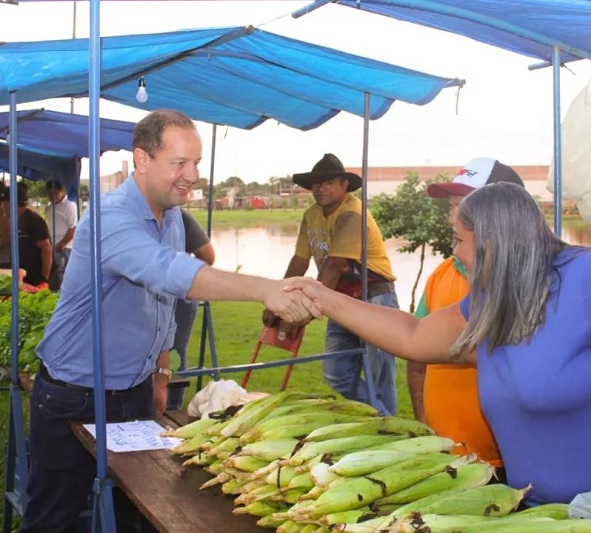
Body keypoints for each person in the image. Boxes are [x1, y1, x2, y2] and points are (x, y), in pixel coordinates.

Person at [287, 182, 591, 508]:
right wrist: (322, 298)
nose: (454, 252)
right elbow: (413, 335)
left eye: (458, 239)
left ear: (493, 242)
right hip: (557, 514)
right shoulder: (490, 302)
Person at [23, 109, 319, 533]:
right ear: (142, 159)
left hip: (135, 393)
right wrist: (266, 289)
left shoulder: (174, 217)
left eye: (196, 162)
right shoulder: (109, 217)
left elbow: (163, 305)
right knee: (54, 518)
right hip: (75, 394)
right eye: (179, 162)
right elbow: (169, 273)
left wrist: (161, 373)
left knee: (137, 513)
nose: (192, 175)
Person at [408, 157, 525, 477]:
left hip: (508, 462)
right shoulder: (440, 275)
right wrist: (422, 420)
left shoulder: (529, 284)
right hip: (444, 454)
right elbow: (416, 353)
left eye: (462, 206)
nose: (451, 219)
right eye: (451, 207)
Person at [263, 153, 398, 416]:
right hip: (340, 299)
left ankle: (386, 426)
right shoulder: (311, 215)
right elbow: (300, 260)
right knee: (336, 373)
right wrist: (277, 298)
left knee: (379, 376)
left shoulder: (352, 214)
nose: (321, 189)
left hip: (374, 299)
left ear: (344, 185)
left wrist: (301, 314)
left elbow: (334, 265)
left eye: (329, 183)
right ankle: (382, 418)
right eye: (317, 183)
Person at [167, 208, 216, 411]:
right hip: (144, 299)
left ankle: (172, 407)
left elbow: (207, 256)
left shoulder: (180, 216)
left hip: (178, 296)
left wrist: (179, 276)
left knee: (174, 350)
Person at [0, 181, 52, 288]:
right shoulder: (18, 220)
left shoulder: (33, 220)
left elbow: (46, 248)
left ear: (11, 203)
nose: (3, 208)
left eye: (4, 204)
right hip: (26, 278)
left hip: (37, 279)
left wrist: (44, 278)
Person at [44, 179, 79, 291]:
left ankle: (64, 295)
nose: (52, 196)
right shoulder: (50, 207)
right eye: (50, 194)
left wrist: (62, 244)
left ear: (61, 191)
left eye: (55, 193)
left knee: (62, 273)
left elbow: (73, 228)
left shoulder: (69, 205)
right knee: (54, 273)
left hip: (64, 247)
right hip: (52, 246)